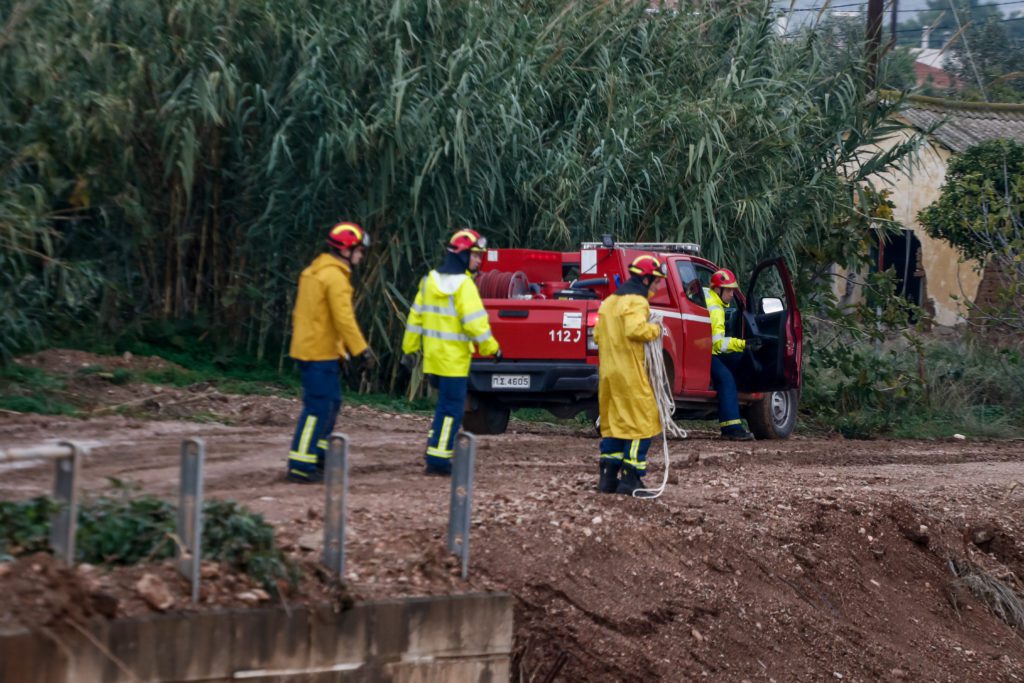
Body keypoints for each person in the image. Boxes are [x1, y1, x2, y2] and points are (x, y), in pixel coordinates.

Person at [401, 229, 500, 476]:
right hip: (454, 362)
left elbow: (415, 318)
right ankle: (438, 461)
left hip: (434, 362)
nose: (479, 260)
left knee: (443, 409)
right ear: (461, 255)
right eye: (475, 255)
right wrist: (492, 348)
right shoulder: (464, 286)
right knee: (452, 411)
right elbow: (475, 324)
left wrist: (409, 349)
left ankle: (434, 451)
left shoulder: (429, 281)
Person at [286, 221, 374, 484]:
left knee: (332, 403)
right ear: (346, 250)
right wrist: (361, 350)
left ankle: (318, 456)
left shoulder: (314, 271)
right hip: (318, 354)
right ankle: (301, 464)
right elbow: (343, 319)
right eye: (358, 250)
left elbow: (318, 318)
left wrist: (341, 353)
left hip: (315, 350)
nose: (361, 255)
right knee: (317, 407)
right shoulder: (335, 277)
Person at [595, 255, 666, 496]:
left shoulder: (609, 302)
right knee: (644, 421)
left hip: (608, 374)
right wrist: (656, 329)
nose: (658, 287)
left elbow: (597, 336)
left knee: (615, 422)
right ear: (646, 279)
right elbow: (635, 329)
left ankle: (607, 478)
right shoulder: (637, 301)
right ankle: (631, 478)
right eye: (656, 282)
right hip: (629, 372)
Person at [706, 268, 758, 441]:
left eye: (732, 289)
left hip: (701, 350)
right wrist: (744, 344)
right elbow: (719, 345)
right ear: (717, 289)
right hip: (707, 353)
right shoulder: (716, 310)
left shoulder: (708, 297)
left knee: (733, 365)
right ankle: (732, 429)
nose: (731, 294)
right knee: (726, 379)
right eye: (728, 290)